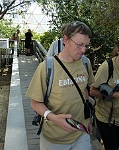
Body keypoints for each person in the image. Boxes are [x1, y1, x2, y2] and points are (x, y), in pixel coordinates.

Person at [26, 21, 95, 150]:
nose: (83, 50)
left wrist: (88, 119)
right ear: (65, 39)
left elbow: (85, 92)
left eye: (86, 46)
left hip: (81, 134)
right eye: (79, 45)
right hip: (54, 139)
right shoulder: (47, 67)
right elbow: (35, 103)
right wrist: (52, 117)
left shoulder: (85, 63)